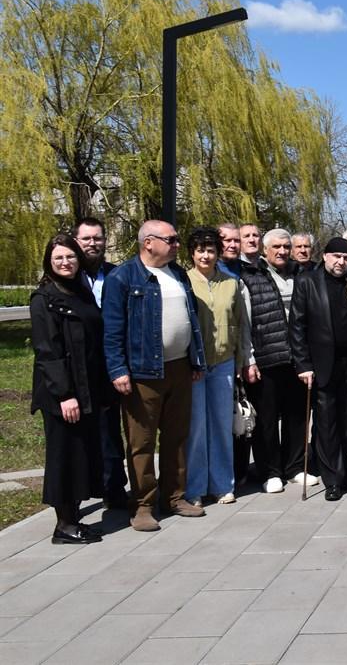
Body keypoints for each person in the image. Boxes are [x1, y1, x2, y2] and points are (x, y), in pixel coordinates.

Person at [102, 220, 207, 531]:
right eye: (170, 239)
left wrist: (195, 361)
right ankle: (143, 505)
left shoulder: (178, 275)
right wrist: (118, 370)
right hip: (142, 373)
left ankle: (174, 497)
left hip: (179, 368)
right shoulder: (123, 277)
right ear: (148, 242)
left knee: (177, 437)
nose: (177, 244)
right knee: (142, 442)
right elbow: (112, 329)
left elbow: (192, 321)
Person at [30, 235, 107, 545]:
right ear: (49, 262)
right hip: (62, 394)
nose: (65, 262)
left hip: (86, 388)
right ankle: (63, 526)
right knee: (63, 456)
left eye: (70, 256)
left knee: (80, 456)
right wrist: (65, 395)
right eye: (58, 258)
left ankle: (74, 518)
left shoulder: (80, 291)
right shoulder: (44, 298)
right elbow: (47, 351)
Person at [289, 237, 347, 500]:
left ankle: (346, 472)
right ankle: (332, 479)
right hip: (321, 364)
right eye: (336, 257)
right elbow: (297, 326)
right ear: (325, 256)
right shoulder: (307, 282)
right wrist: (303, 364)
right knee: (327, 422)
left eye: (345, 258)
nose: (341, 262)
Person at [241, 228, 312, 493]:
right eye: (276, 247)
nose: (282, 251)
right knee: (267, 420)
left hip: (298, 356)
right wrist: (248, 358)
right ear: (265, 250)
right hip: (266, 356)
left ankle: (295, 467)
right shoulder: (251, 276)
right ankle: (270, 471)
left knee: (297, 415)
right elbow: (245, 322)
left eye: (286, 247)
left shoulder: (301, 274)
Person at [184, 227, 251, 507]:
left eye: (210, 250)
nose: (206, 256)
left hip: (224, 363)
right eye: (200, 250)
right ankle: (195, 488)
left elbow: (240, 324)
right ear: (192, 253)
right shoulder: (185, 281)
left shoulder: (231, 283)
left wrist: (241, 360)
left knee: (222, 426)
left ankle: (223, 484)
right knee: (196, 428)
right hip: (195, 366)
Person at [72, 217, 127, 508]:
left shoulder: (116, 274)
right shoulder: (69, 276)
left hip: (111, 365)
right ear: (76, 242)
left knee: (110, 430)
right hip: (80, 366)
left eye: (97, 238)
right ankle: (79, 491)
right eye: (86, 239)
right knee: (81, 432)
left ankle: (113, 488)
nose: (92, 244)